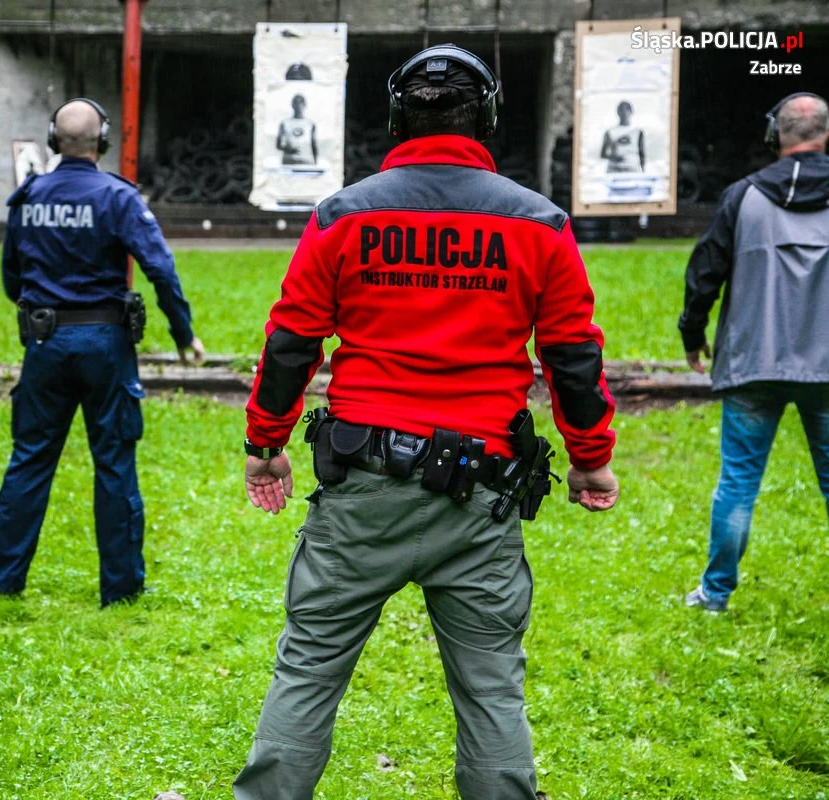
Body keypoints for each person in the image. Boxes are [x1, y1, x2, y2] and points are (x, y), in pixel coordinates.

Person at [234, 45, 619, 800]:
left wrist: (265, 444)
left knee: (308, 668)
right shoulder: (538, 223)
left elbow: (291, 344)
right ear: (491, 117)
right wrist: (589, 458)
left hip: (362, 486)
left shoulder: (344, 214)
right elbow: (573, 356)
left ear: (394, 117)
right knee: (490, 691)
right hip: (480, 492)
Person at [0, 98, 205, 607]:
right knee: (114, 462)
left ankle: (2, 581)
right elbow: (161, 270)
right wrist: (182, 333)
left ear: (53, 139)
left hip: (44, 343)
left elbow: (10, 278)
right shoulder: (118, 197)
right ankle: (122, 589)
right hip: (106, 347)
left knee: (30, 459)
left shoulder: (29, 197)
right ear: (102, 141)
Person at [680, 92, 829, 614]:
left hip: (752, 366)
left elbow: (703, 275)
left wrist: (691, 332)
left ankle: (715, 594)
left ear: (775, 136)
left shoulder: (742, 196)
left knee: (739, 484)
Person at [600, 100, 644, 173]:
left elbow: (642, 154)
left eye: (627, 110)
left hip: (632, 171)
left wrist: (643, 171)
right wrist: (614, 157)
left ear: (631, 112)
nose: (624, 113)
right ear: (618, 112)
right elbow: (603, 154)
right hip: (614, 171)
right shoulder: (610, 132)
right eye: (621, 110)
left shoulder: (638, 132)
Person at [276, 94, 318, 166]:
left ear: (305, 105)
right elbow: (278, 145)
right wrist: (288, 149)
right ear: (292, 105)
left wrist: (315, 163)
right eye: (296, 103)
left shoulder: (310, 124)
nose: (298, 106)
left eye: (300, 103)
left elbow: (314, 145)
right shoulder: (284, 123)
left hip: (306, 161)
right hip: (289, 161)